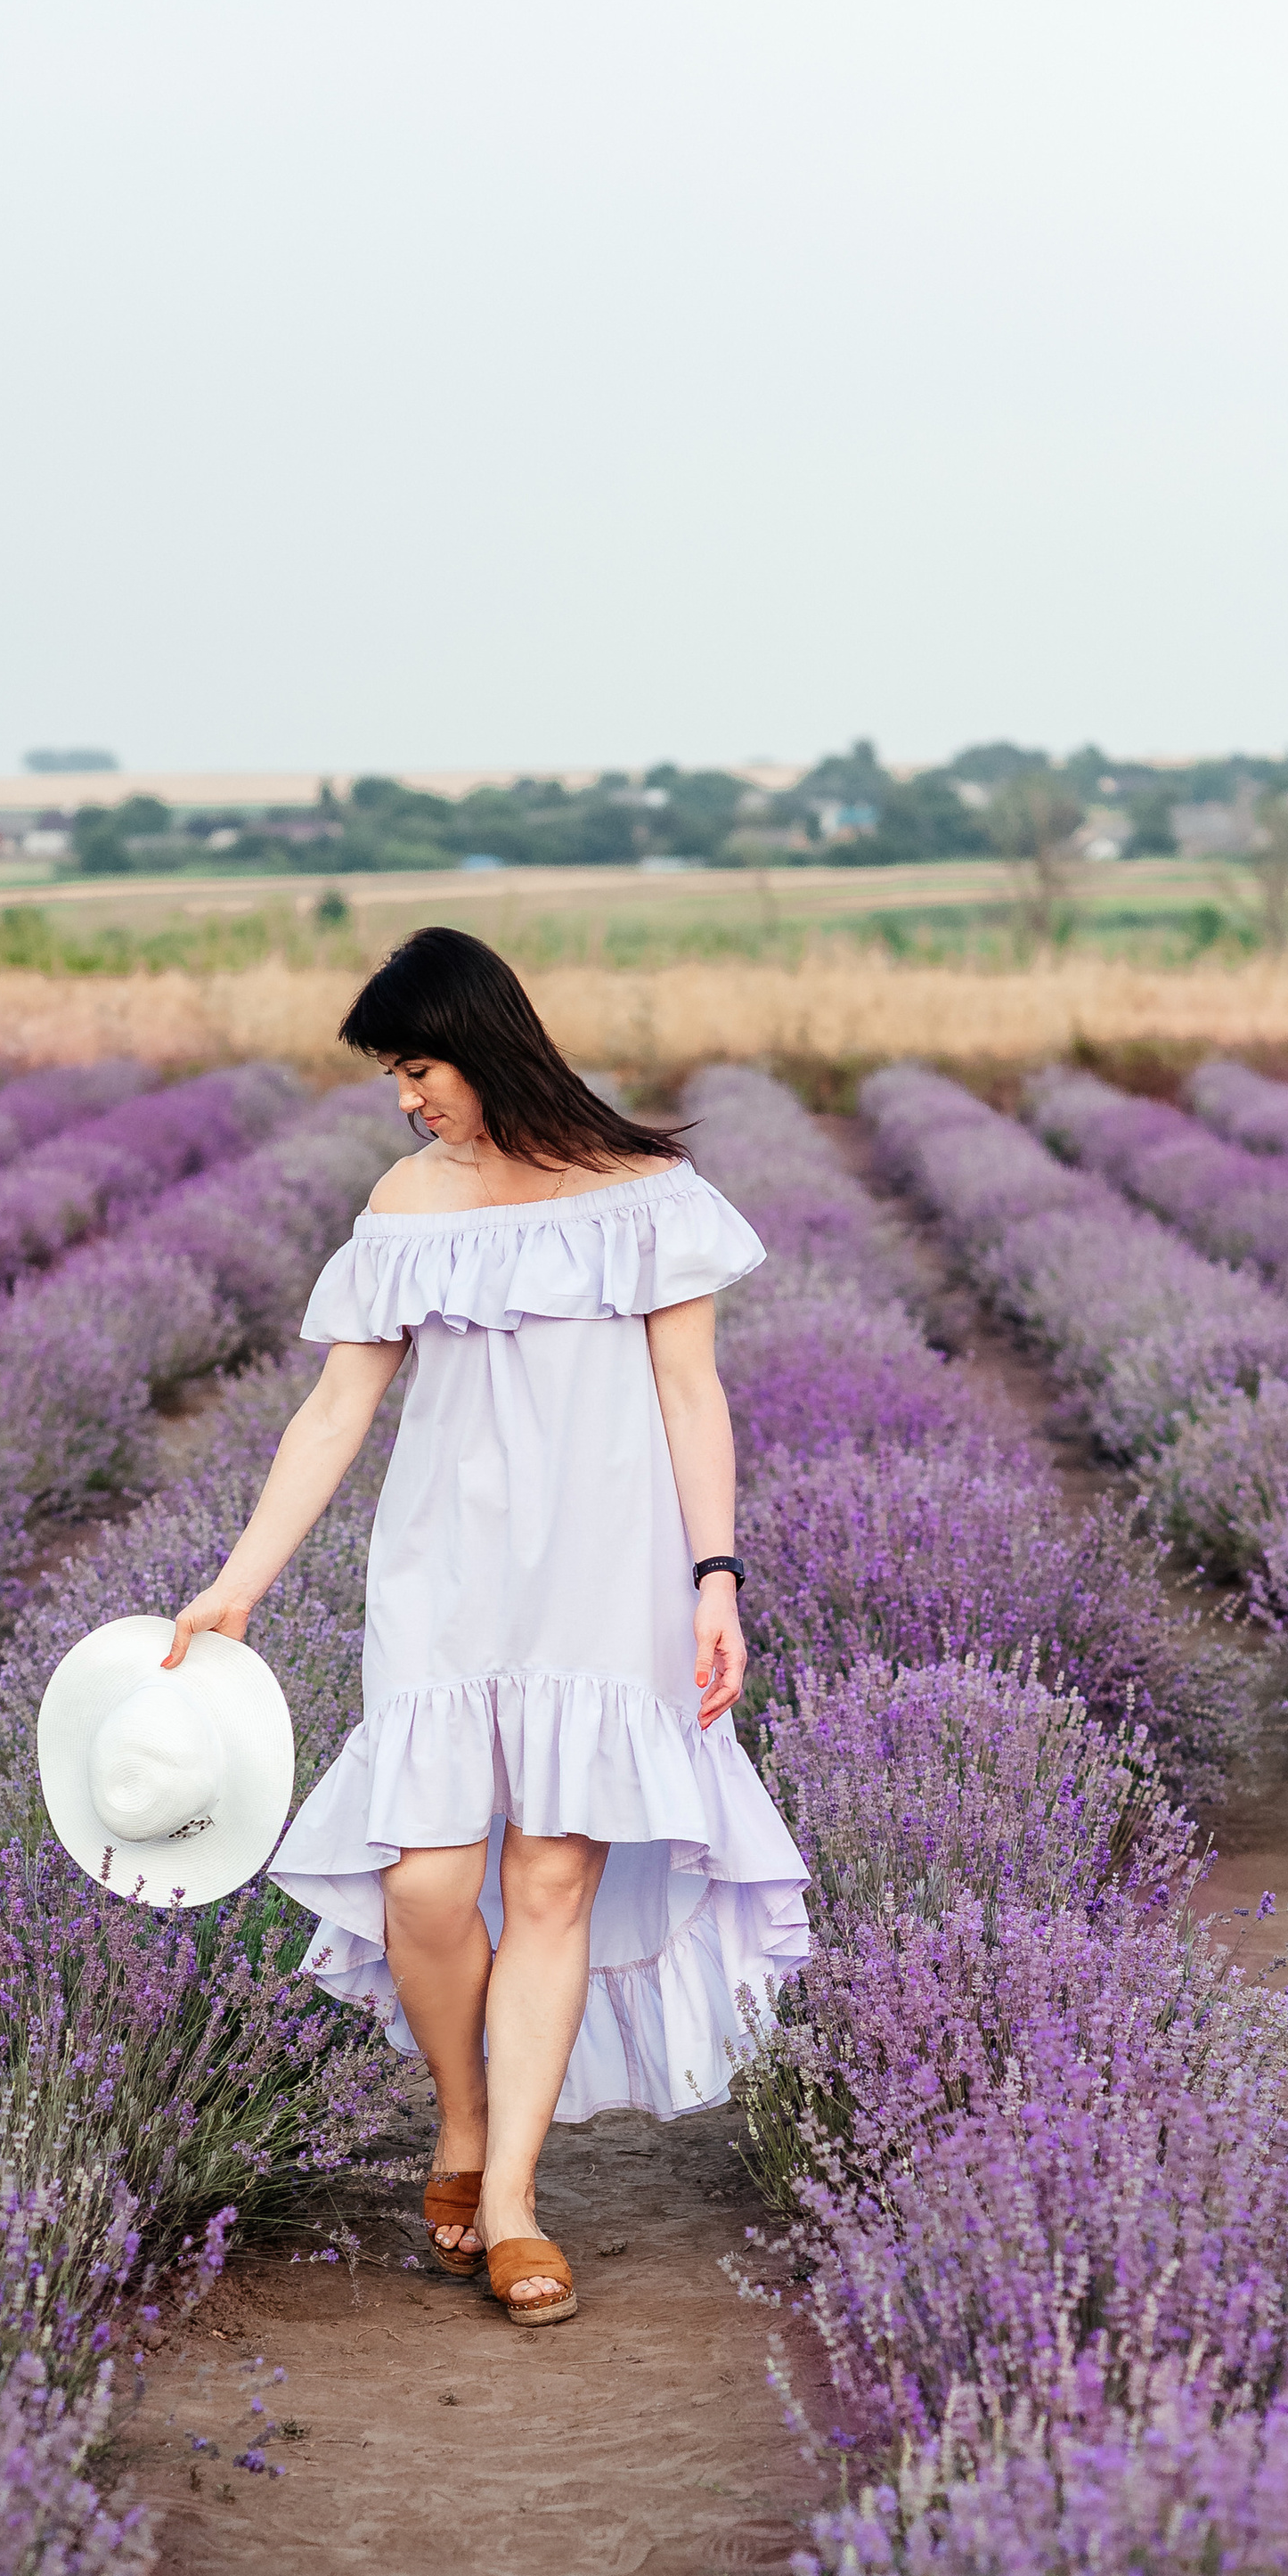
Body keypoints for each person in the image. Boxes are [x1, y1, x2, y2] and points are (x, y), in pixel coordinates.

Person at [163, 928, 809, 2328]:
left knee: (555, 1882)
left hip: (605, 1579)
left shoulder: (648, 1195)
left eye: (418, 1067)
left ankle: (510, 2194)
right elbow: (336, 1409)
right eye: (397, 1076)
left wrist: (717, 1577)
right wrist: (240, 1581)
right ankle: (462, 2112)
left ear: (483, 1042)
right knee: (428, 1889)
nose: (407, 1098)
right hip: (443, 1580)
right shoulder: (406, 1201)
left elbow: (694, 1398)